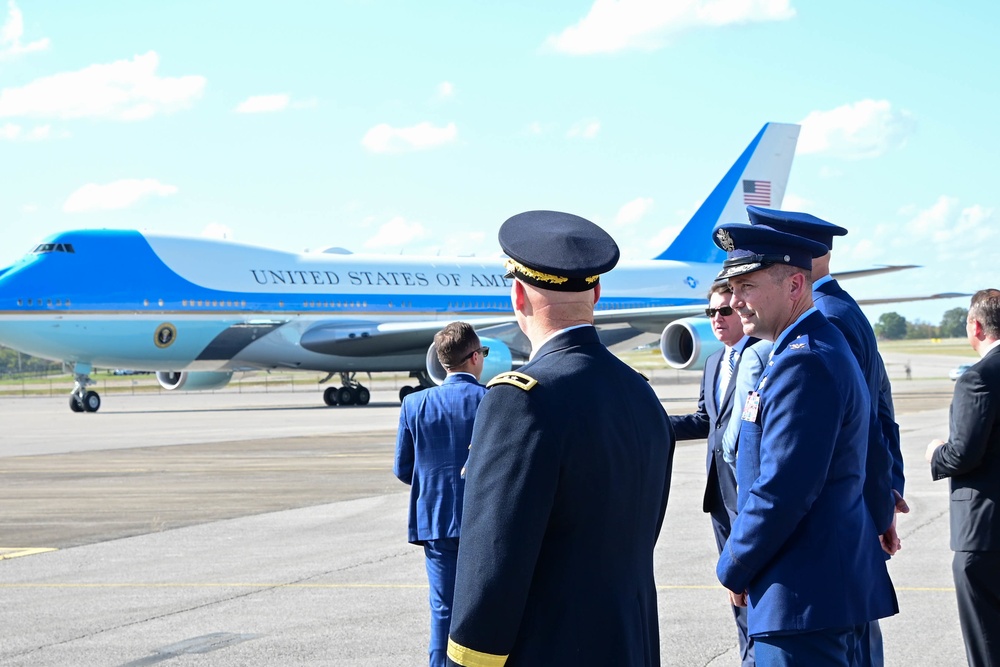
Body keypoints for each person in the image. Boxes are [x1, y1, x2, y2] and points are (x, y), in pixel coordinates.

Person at [446, 210, 675, 667]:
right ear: (595, 292)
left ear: (517, 295)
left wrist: (466, 661)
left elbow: (493, 562)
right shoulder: (640, 393)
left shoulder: (520, 399)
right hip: (632, 646)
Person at [712, 223, 898, 666]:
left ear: (796, 284)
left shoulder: (804, 363)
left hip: (801, 596)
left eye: (748, 286)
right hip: (820, 590)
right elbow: (870, 435)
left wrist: (735, 564)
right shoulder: (807, 348)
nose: (735, 302)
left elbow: (783, 488)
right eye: (733, 288)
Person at [669, 280, 756, 666]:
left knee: (756, 585)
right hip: (719, 496)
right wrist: (649, 422)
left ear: (741, 312)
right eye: (711, 313)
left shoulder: (763, 357)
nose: (716, 320)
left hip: (751, 494)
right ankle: (748, 658)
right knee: (734, 588)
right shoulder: (714, 363)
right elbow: (707, 420)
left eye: (724, 311)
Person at [394, 321, 489, 667]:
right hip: (486, 522)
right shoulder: (492, 399)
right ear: (475, 356)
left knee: (443, 612)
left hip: (435, 522)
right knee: (493, 609)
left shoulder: (414, 404)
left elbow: (403, 469)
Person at [925, 288, 1000, 667]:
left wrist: (936, 452)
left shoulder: (979, 378)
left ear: (975, 326)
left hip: (985, 536)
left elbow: (964, 453)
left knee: (986, 644)